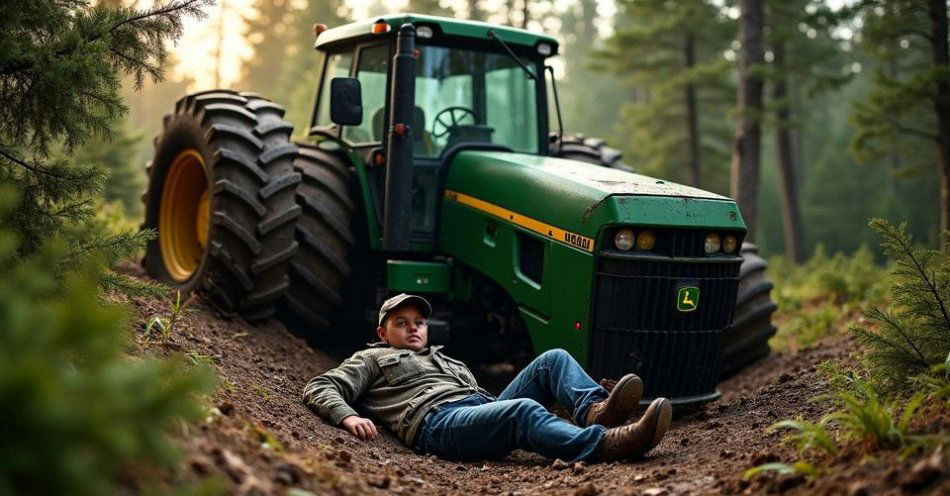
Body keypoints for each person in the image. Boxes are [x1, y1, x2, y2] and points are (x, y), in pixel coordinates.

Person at [302, 293, 672, 462]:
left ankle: (594, 410)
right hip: (438, 423)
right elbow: (321, 385)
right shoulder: (370, 358)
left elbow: (484, 400)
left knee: (552, 359)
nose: (413, 329)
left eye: (419, 323)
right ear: (383, 333)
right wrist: (348, 415)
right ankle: (607, 443)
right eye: (401, 323)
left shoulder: (444, 358)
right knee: (523, 411)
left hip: (480, 407)